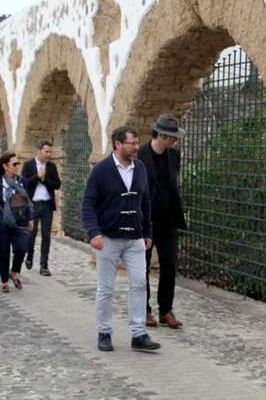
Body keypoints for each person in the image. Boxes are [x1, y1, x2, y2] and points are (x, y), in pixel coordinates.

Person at [82, 125, 161, 353]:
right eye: (132, 143)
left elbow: (145, 201)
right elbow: (88, 202)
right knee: (106, 288)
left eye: (137, 143)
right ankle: (104, 332)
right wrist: (93, 232)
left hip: (135, 238)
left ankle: (139, 333)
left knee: (139, 284)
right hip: (108, 238)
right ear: (118, 144)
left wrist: (147, 232)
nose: (136, 147)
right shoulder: (102, 169)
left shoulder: (141, 168)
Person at [138, 113, 187, 329]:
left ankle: (165, 310)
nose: (175, 140)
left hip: (168, 221)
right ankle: (144, 311)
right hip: (145, 222)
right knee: (143, 267)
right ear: (162, 135)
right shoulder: (140, 154)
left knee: (169, 264)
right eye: (172, 137)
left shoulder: (174, 155)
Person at [0, 152, 33, 293]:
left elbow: (28, 202)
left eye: (18, 163)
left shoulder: (21, 182)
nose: (17, 166)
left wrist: (30, 218)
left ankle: (14, 271)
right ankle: (4, 280)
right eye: (14, 164)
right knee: (3, 252)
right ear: (5, 166)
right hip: (1, 223)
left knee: (21, 248)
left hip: (20, 222)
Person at [21, 139, 62, 276]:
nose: (49, 154)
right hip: (32, 205)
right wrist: (37, 177)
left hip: (46, 205)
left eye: (50, 151)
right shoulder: (28, 165)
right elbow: (24, 183)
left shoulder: (51, 167)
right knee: (31, 234)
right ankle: (29, 255)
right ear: (39, 151)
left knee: (46, 236)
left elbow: (57, 184)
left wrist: (44, 180)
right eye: (46, 151)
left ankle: (44, 266)